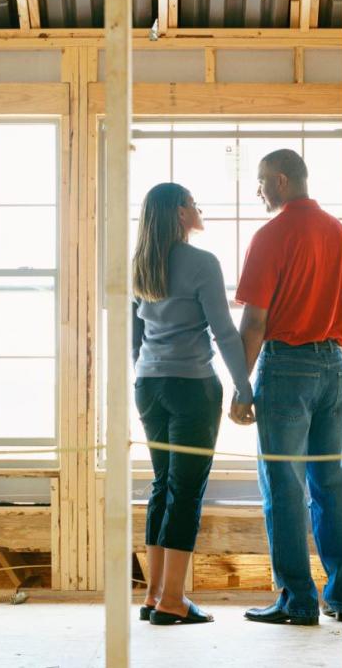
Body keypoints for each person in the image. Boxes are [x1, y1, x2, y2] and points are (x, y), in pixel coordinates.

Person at [231, 149, 342, 626]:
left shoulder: (271, 235)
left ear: (281, 181)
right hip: (334, 364)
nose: (257, 191)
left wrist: (241, 387)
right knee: (330, 484)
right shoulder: (338, 231)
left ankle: (297, 599)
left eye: (260, 182)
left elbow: (255, 320)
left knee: (283, 486)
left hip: (287, 366)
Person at [131, 182, 253, 626]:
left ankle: (153, 596)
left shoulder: (139, 265)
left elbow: (134, 339)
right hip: (192, 387)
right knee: (186, 492)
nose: (198, 208)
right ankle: (173, 602)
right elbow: (223, 333)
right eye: (193, 202)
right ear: (180, 214)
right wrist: (245, 387)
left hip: (149, 385)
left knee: (163, 485)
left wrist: (148, 369)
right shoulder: (202, 263)